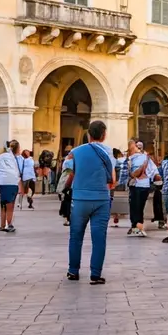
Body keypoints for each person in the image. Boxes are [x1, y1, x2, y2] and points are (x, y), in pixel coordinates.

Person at [66, 120, 116, 285]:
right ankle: (95, 274)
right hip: (101, 199)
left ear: (88, 134)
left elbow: (68, 174)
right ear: (104, 135)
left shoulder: (75, 152)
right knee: (99, 238)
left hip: (80, 199)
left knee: (76, 236)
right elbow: (112, 180)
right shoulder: (108, 153)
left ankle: (73, 271)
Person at [0, 140, 24, 233]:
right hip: (12, 182)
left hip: (3, 182)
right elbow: (17, 172)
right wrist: (20, 185)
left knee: (3, 204)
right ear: (17, 149)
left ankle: (3, 225)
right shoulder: (15, 158)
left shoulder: (1, 156)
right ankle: (9, 224)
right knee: (10, 204)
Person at [125, 141, 152, 238]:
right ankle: (136, 226)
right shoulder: (146, 158)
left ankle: (136, 227)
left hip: (136, 185)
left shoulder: (131, 159)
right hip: (143, 185)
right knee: (139, 207)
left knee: (135, 207)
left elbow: (127, 173)